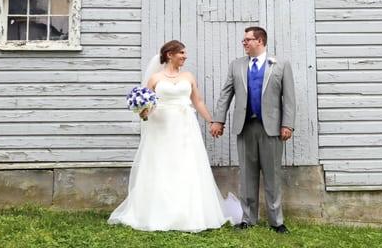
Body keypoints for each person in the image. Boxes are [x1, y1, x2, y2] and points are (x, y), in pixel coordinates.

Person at [108, 40, 233, 232]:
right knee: (162, 165)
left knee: (186, 164)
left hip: (185, 127)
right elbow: (148, 106)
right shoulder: (155, 78)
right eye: (181, 53)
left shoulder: (188, 76)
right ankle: (158, 212)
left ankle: (188, 213)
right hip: (161, 127)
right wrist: (142, 112)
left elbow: (197, 101)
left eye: (185, 53)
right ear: (169, 54)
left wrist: (212, 121)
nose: (185, 56)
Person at [211, 27, 296, 233]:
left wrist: (287, 124)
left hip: (272, 129)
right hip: (245, 126)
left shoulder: (280, 64)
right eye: (244, 40)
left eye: (247, 40)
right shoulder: (237, 65)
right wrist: (218, 121)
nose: (244, 43)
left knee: (272, 175)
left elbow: (290, 99)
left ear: (260, 41)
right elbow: (225, 95)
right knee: (247, 175)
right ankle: (248, 219)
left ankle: (277, 222)